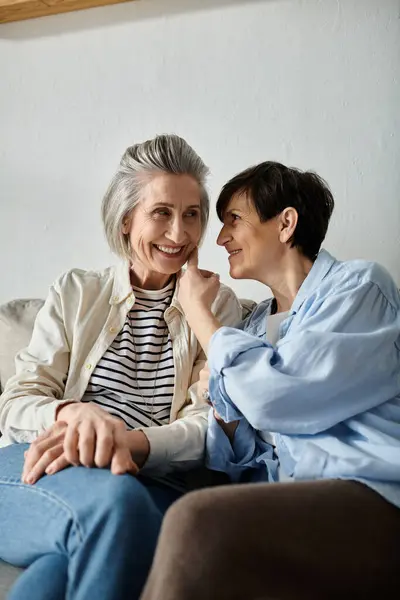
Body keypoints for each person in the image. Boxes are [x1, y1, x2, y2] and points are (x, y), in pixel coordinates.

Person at [140, 161, 400, 600]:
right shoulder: (253, 326)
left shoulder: (360, 289)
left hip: (373, 500)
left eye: (233, 221)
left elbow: (277, 400)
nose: (220, 238)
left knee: (195, 521)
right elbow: (235, 455)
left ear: (286, 223)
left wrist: (198, 313)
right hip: (293, 503)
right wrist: (221, 403)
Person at [0, 134, 242, 600]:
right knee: (116, 506)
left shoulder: (217, 308)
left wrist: (123, 443)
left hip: (149, 483)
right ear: (126, 218)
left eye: (192, 215)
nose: (179, 233)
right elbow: (16, 401)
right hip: (38, 467)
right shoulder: (76, 292)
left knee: (60, 569)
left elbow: (208, 428)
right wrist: (73, 415)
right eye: (161, 213)